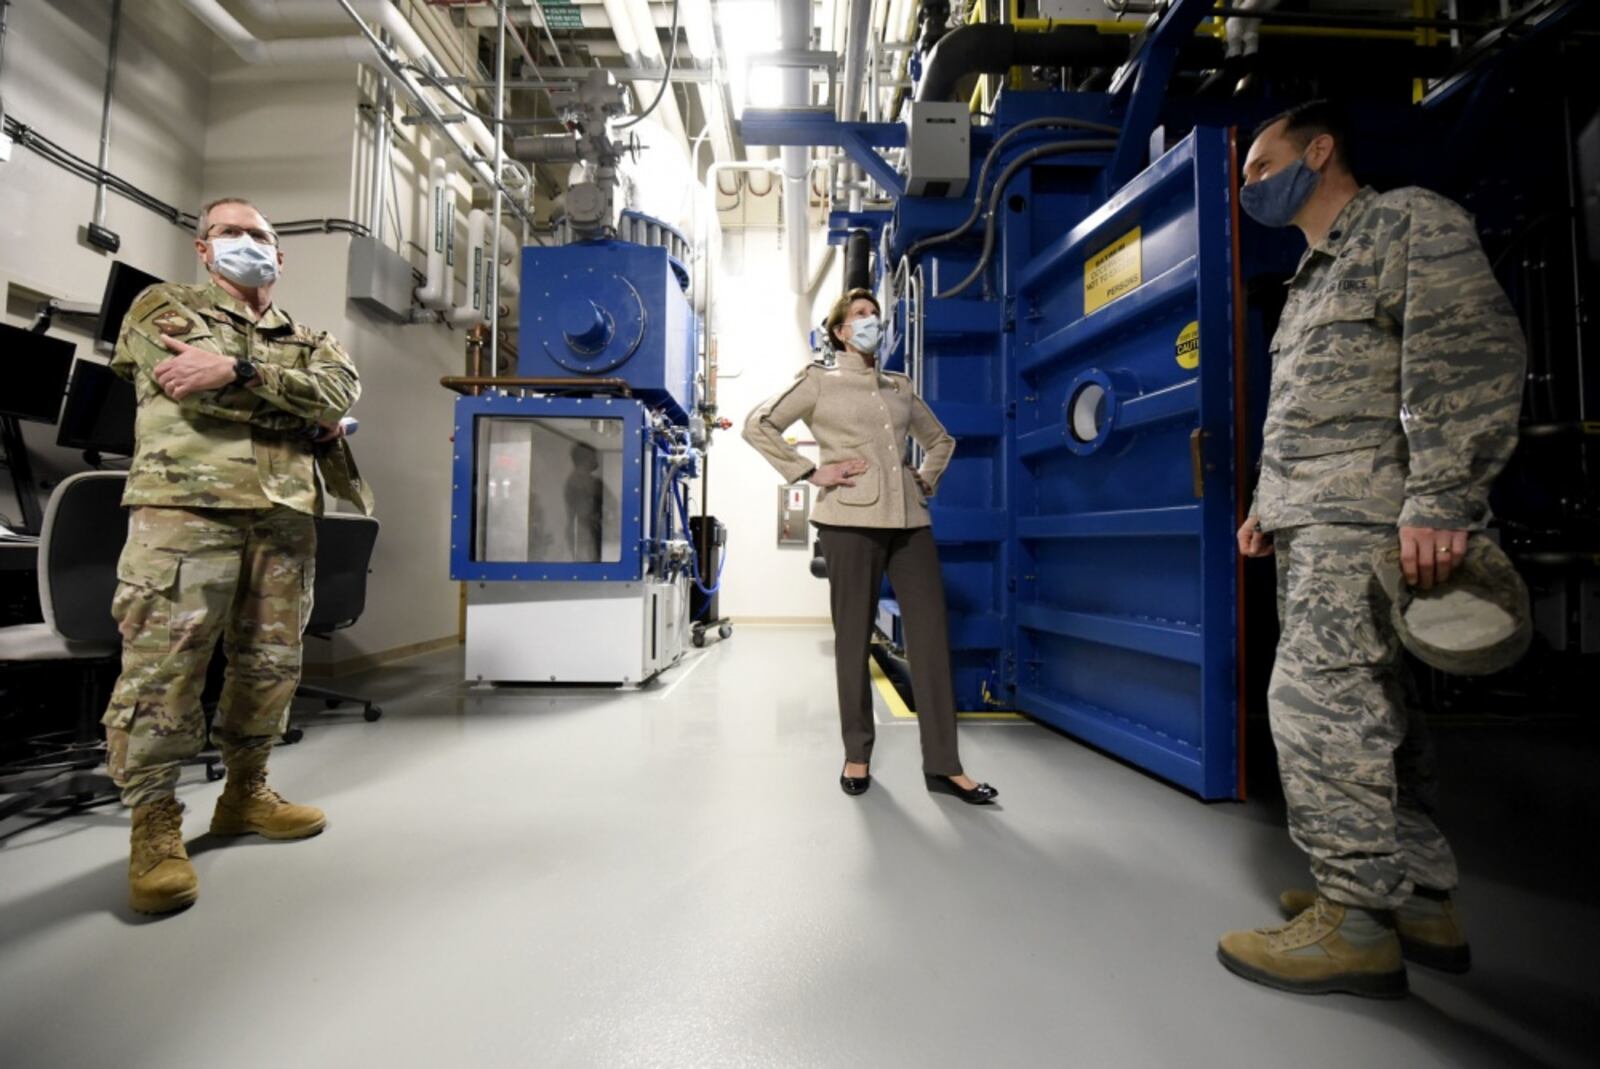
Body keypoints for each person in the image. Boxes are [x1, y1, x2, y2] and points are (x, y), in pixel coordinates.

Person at [1219, 102, 1525, 995]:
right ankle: (1419, 898)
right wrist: (1266, 506)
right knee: (1378, 709)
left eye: (1262, 167)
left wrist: (1442, 496)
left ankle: (1353, 916)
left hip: (1372, 523)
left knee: (1314, 704)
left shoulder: (1406, 224)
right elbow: (1317, 411)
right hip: (1321, 520)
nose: (1251, 188)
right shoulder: (1311, 276)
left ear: (1319, 151)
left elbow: (1467, 357)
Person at [103, 197, 372, 915]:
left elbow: (338, 393)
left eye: (259, 235)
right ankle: (155, 825)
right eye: (230, 232)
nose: (245, 243)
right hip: (186, 511)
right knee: (166, 667)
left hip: (284, 520)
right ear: (203, 248)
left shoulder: (310, 336)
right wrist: (293, 405)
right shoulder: (161, 305)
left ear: (280, 258)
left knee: (271, 663)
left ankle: (244, 792)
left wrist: (239, 373)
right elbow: (189, 392)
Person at [743, 288, 998, 805]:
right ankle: (857, 753)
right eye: (860, 316)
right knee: (853, 641)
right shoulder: (819, 382)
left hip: (910, 523)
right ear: (839, 331)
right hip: (847, 522)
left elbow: (941, 440)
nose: (871, 322)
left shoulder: (899, 387)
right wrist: (812, 471)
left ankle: (944, 766)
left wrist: (925, 479)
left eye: (875, 316)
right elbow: (758, 425)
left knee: (929, 639)